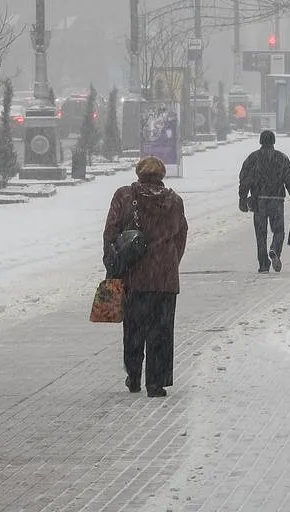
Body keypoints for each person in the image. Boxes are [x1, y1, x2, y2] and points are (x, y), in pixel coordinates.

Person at [103, 156, 188, 398]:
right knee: (161, 331)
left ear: (138, 173)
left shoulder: (124, 196)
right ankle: (156, 383)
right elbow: (181, 237)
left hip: (134, 277)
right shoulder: (174, 201)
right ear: (162, 175)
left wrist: (113, 263)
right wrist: (170, 263)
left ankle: (133, 375)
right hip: (164, 278)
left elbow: (110, 232)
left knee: (134, 329)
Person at [237, 130, 290, 273]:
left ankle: (263, 264)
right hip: (277, 200)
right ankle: (275, 250)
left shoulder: (253, 158)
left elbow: (244, 180)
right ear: (273, 141)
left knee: (261, 234)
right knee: (278, 231)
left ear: (261, 141)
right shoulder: (282, 158)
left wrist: (242, 198)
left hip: (258, 200)